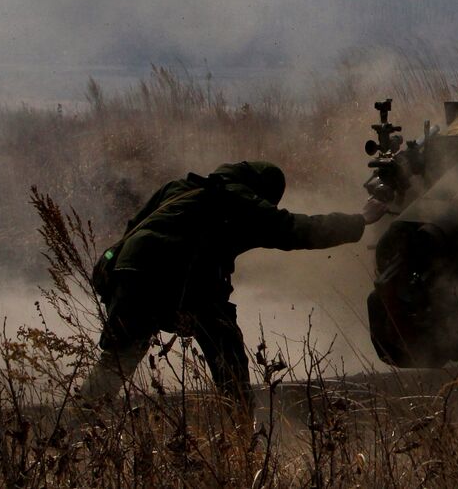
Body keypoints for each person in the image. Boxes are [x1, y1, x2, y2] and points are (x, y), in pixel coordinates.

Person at [79, 160, 387, 410]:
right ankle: (241, 434)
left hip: (128, 273)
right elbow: (295, 229)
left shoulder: (180, 188)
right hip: (178, 276)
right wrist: (359, 220)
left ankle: (76, 426)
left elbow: (135, 227)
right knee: (227, 354)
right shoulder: (241, 200)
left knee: (117, 362)